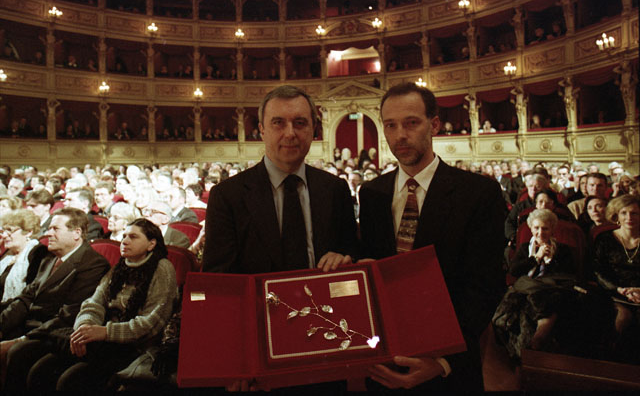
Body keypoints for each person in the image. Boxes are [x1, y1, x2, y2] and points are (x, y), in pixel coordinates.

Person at [202, 85, 358, 391]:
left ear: (313, 129)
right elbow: (219, 281)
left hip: (326, 349)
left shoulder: (335, 190)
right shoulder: (228, 196)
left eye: (300, 123)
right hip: (259, 352)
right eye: (278, 123)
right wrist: (234, 359)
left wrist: (345, 258)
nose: (290, 133)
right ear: (261, 130)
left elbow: (351, 251)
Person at [358, 83, 506, 391]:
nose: (400, 135)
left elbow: (485, 287)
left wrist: (442, 361)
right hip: (384, 362)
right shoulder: (372, 193)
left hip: (449, 369)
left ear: (434, 124)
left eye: (411, 122)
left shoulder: (478, 193)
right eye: (390, 125)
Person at [6, 218, 177, 392]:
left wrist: (104, 332)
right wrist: (84, 327)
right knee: (39, 369)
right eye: (124, 236)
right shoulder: (120, 267)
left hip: (133, 348)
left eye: (133, 237)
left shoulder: (162, 269)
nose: (125, 241)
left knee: (70, 380)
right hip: (102, 340)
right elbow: (94, 303)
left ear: (151, 244)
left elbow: (151, 323)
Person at [0, 208, 110, 363]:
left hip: (51, 334)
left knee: (16, 352)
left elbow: (68, 315)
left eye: (55, 229)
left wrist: (21, 339)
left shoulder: (93, 264)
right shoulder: (49, 258)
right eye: (49, 228)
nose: (48, 233)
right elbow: (25, 299)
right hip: (29, 327)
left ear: (76, 233)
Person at [492, 209, 578, 359]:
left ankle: (536, 343)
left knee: (545, 304)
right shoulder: (525, 248)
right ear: (531, 229)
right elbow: (514, 271)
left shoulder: (563, 250)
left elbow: (568, 275)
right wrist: (536, 258)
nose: (540, 232)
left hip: (552, 291)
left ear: (552, 230)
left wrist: (551, 260)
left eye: (545, 228)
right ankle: (525, 351)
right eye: (536, 228)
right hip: (527, 290)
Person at [592, 195, 640, 354]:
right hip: (613, 293)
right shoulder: (604, 239)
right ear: (616, 215)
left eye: (634, 213)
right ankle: (610, 357)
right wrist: (620, 289)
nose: (629, 217)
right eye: (624, 213)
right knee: (623, 317)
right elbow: (597, 271)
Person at [0, 210, 45, 301]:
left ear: (28, 232)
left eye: (10, 230)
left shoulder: (37, 253)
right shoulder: (7, 254)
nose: (4, 235)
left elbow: (31, 294)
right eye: (2, 231)